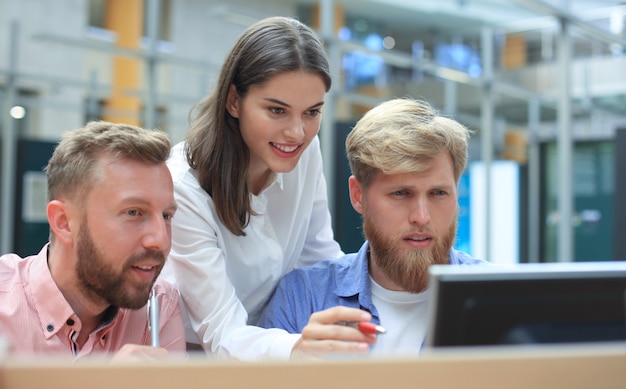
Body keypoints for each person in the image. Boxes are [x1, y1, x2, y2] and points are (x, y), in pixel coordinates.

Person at [160, 16, 347, 361]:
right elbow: (221, 334)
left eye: (312, 112)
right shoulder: (182, 187)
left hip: (278, 353)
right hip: (193, 364)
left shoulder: (306, 153)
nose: (297, 132)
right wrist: (297, 348)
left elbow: (318, 261)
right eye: (277, 110)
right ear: (234, 101)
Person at [257, 98, 490, 358]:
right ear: (358, 195)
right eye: (401, 193)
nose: (421, 217)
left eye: (438, 193)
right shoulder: (304, 298)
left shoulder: (498, 297)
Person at [0, 121, 186, 360]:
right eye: (133, 212)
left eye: (167, 216)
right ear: (64, 222)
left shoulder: (159, 306)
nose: (160, 240)